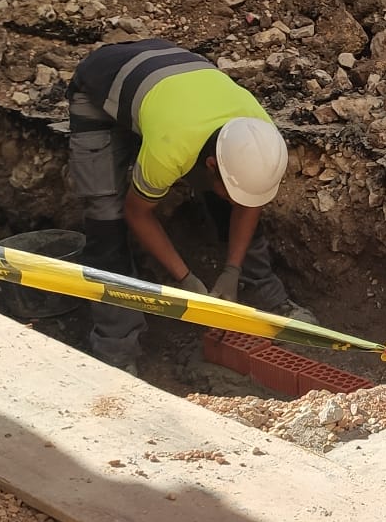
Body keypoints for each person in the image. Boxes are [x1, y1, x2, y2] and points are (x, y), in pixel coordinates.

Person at [67, 38, 296, 368]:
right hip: (103, 85)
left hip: (175, 82)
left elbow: (249, 204)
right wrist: (185, 279)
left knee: (228, 197)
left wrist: (232, 271)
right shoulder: (170, 149)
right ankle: (116, 344)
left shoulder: (260, 136)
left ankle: (267, 296)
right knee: (106, 219)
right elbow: (137, 212)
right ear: (211, 165)